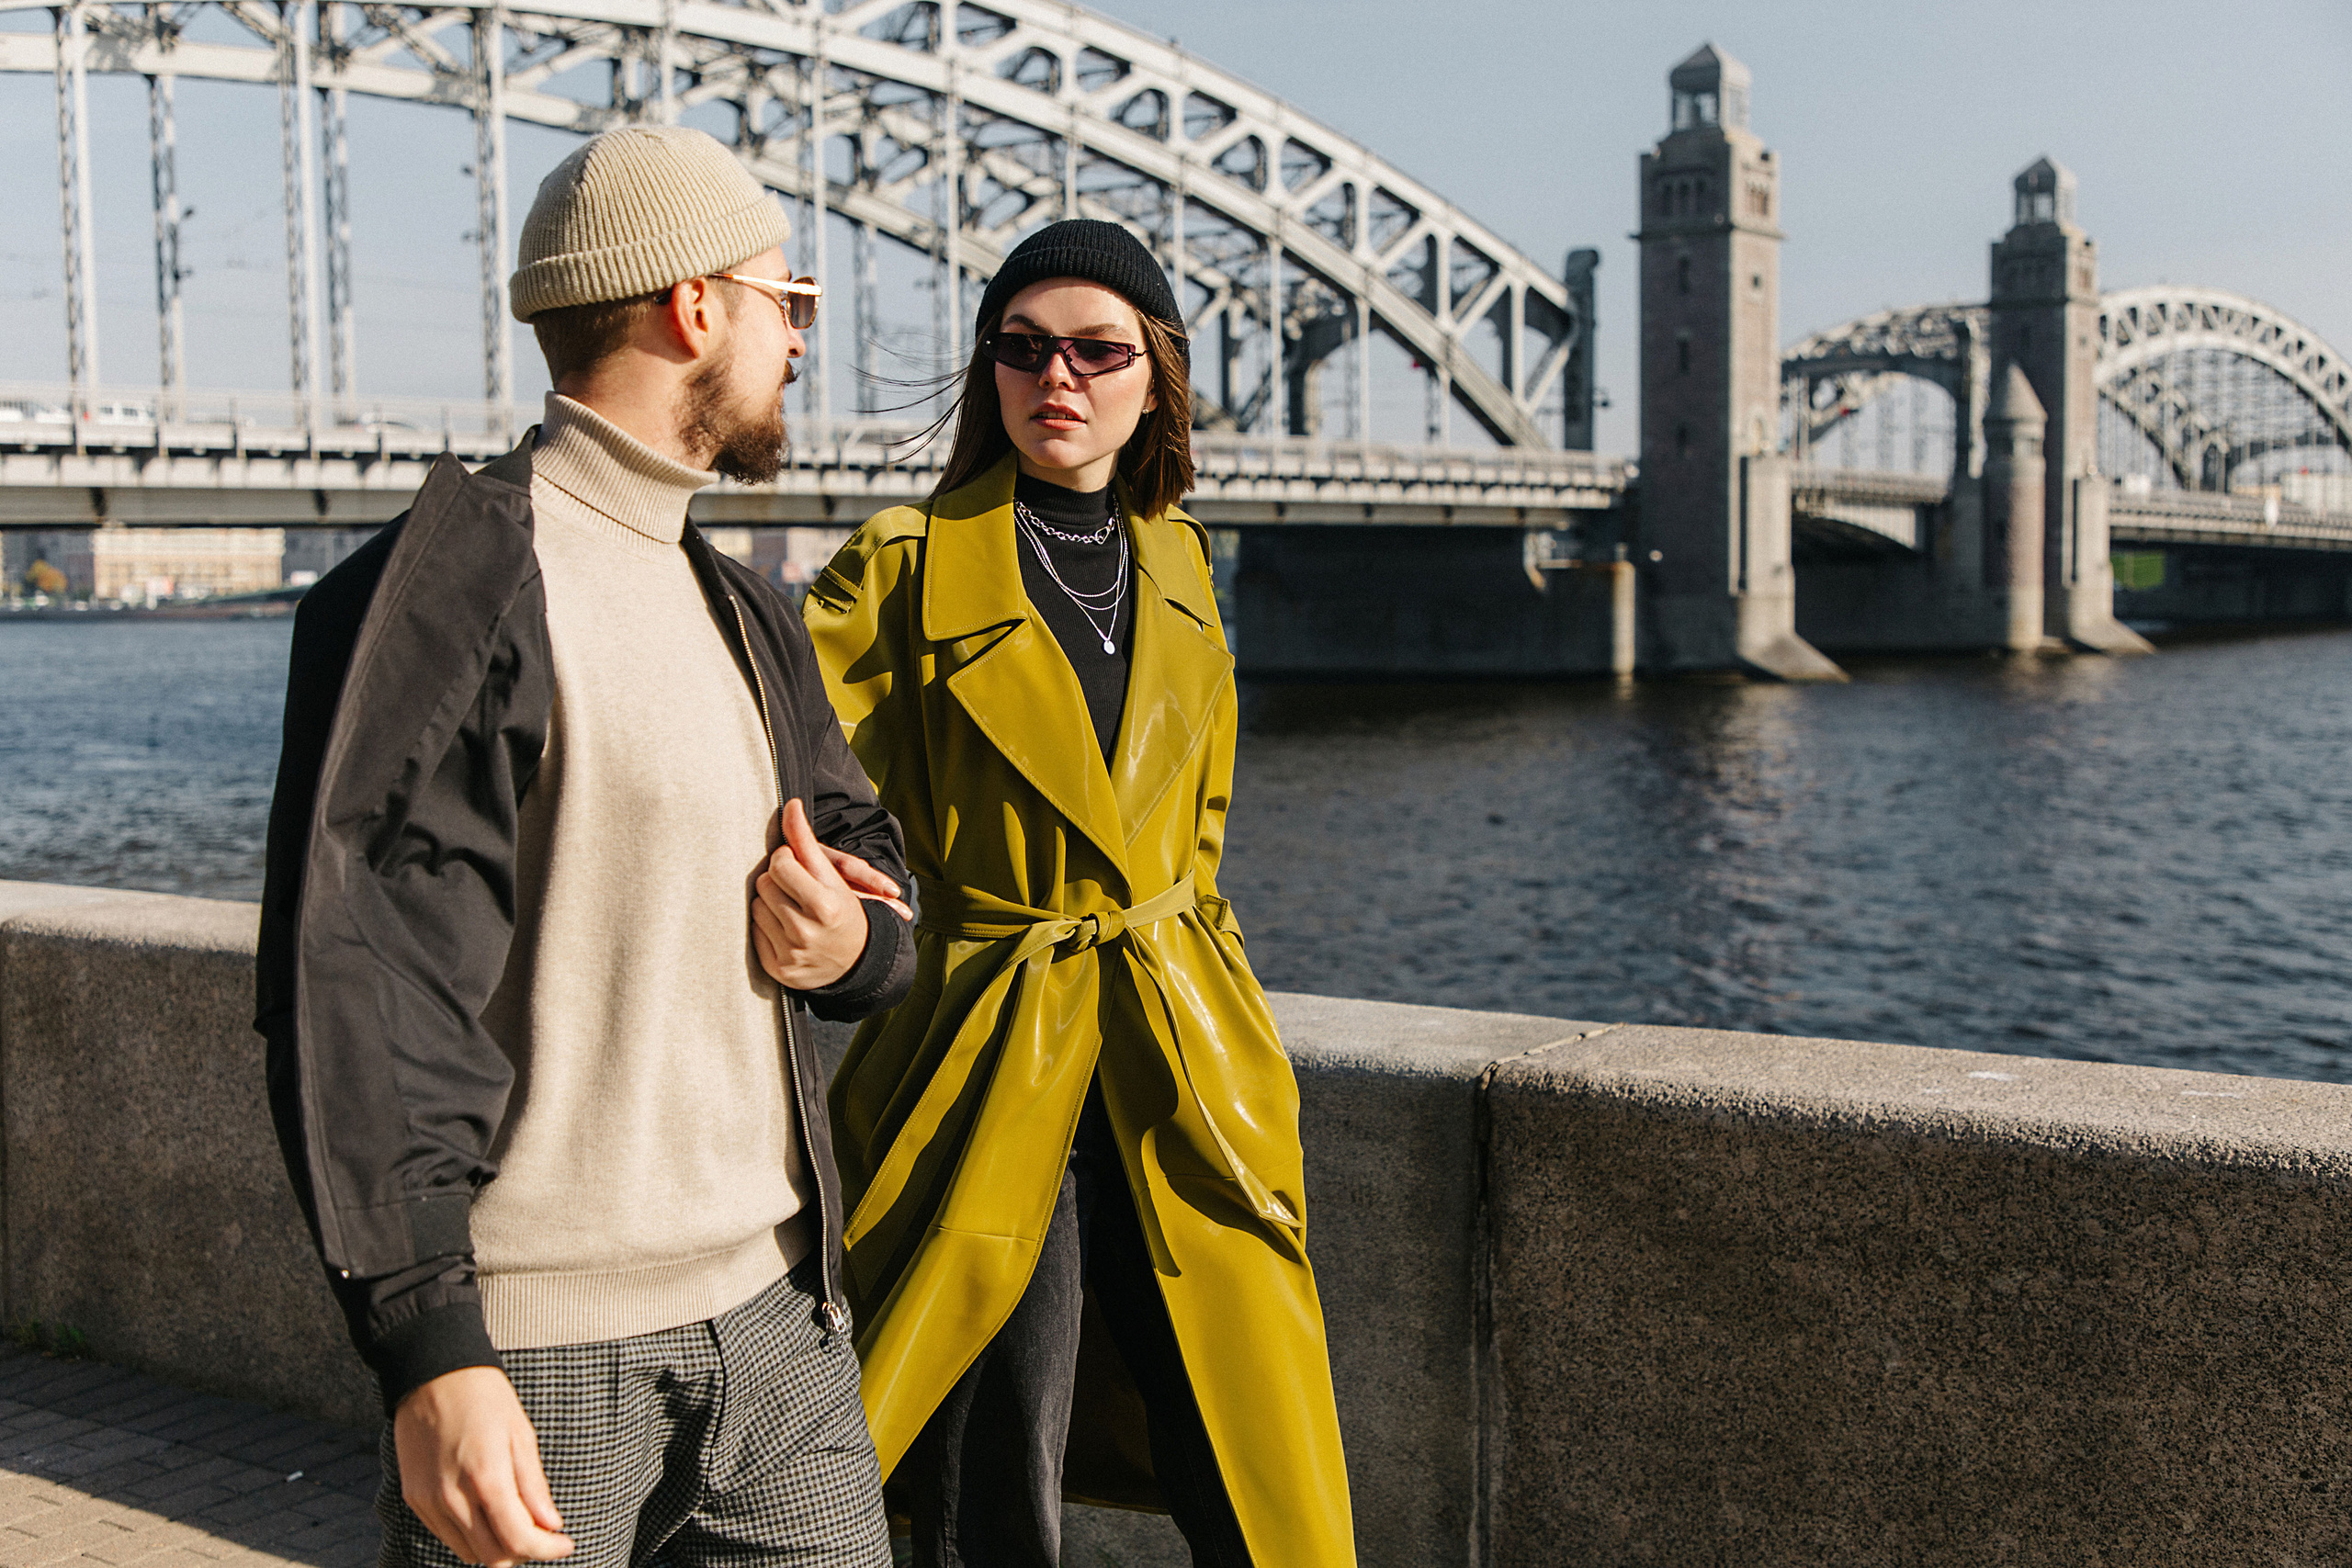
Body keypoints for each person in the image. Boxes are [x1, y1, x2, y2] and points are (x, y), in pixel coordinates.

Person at [255, 126, 916, 1568]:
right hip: (547, 1360)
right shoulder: (448, 590)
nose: (800, 340)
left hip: (781, 1326)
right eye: (784, 302)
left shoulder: (742, 606)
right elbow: (359, 979)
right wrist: (432, 1350)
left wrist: (861, 943)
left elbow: (875, 863)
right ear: (695, 308)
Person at [801, 220, 1356, 1567]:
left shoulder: (1180, 562)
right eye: (1023, 346)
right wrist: (844, 921)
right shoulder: (902, 565)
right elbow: (792, 792)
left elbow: (1203, 840)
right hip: (991, 1047)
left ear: (1156, 375)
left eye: (1098, 349)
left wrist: (1244, 1052)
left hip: (1182, 1047)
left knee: (1253, 1452)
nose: (1060, 375)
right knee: (996, 1460)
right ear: (990, 371)